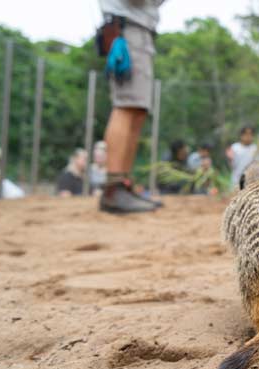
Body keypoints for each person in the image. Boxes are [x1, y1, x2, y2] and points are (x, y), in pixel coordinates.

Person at [98, 0, 165, 213]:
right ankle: (114, 187)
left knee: (137, 110)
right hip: (128, 30)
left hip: (138, 31)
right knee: (126, 106)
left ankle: (123, 186)